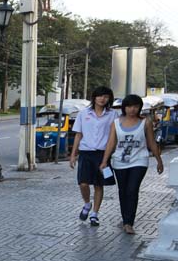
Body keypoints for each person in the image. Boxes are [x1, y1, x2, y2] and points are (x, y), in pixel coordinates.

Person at [101, 94, 164, 235]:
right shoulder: (116, 123)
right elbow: (111, 142)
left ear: (140, 108)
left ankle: (129, 222)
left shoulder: (145, 122)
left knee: (132, 190)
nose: (132, 109)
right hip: (119, 161)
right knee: (123, 191)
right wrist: (105, 161)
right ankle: (125, 220)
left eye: (136, 106)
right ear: (124, 107)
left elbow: (151, 142)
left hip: (139, 160)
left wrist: (159, 160)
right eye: (129, 106)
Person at [69, 86, 118, 226]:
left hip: (103, 153)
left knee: (98, 184)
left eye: (106, 96)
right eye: (100, 96)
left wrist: (107, 156)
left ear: (109, 99)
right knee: (83, 183)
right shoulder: (84, 114)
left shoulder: (113, 115)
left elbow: (113, 137)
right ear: (94, 97)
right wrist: (73, 155)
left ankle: (95, 214)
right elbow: (78, 134)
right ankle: (86, 204)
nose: (102, 99)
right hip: (86, 152)